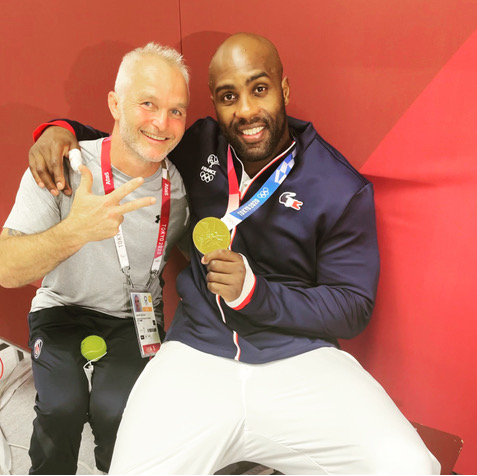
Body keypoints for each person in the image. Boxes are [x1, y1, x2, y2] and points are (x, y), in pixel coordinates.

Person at [27, 33, 440, 474]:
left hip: (299, 361)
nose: (245, 111)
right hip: (196, 353)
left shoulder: (339, 187)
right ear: (214, 103)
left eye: (258, 89)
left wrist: (254, 294)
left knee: (410, 465)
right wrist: (63, 131)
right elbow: (132, 143)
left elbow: (352, 307)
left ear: (284, 89)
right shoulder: (197, 144)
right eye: (229, 96)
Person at [0, 42, 190, 474]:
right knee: (61, 409)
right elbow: (5, 268)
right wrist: (75, 231)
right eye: (147, 104)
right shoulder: (63, 166)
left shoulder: (181, 189)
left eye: (176, 111)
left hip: (134, 318)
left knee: (118, 412)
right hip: (63, 310)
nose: (163, 123)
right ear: (115, 104)